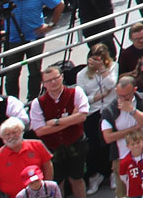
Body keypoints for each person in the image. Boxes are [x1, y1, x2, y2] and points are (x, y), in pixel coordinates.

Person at [0, 0, 64, 98]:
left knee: (35, 72)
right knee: (11, 75)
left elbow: (59, 4)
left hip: (35, 38)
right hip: (12, 40)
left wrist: (51, 25)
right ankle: (13, 102)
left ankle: (33, 100)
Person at [27, 65, 90, 198]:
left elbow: (83, 116)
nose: (53, 83)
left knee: (77, 179)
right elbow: (39, 131)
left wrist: (56, 122)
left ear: (62, 77)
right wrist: (71, 120)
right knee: (56, 182)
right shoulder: (37, 103)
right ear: (44, 84)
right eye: (49, 81)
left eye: (56, 78)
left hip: (75, 143)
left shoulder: (76, 92)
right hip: (52, 148)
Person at [75, 46, 116, 192]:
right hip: (93, 112)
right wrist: (97, 97)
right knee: (95, 145)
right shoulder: (81, 75)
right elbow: (81, 97)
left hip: (110, 110)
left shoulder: (112, 68)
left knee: (111, 143)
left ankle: (112, 173)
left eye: (100, 58)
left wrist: (102, 70)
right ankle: (96, 175)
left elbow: (111, 84)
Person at [0, 119, 53, 198]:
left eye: (14, 132)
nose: (12, 136)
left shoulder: (37, 145)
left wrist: (47, 188)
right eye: (7, 134)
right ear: (2, 137)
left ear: (22, 131)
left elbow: (48, 167)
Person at [116, 128, 143, 198]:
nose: (136, 146)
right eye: (132, 144)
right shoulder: (124, 162)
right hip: (133, 190)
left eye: (138, 142)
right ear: (128, 146)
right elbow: (123, 176)